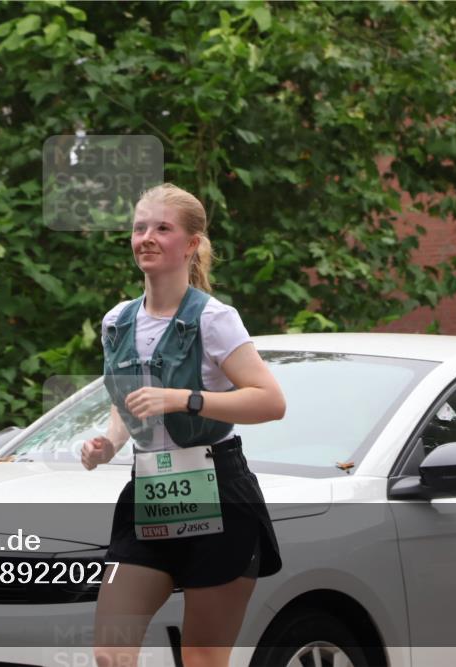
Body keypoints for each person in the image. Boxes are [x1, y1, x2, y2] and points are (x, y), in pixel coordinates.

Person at [80, 183, 286, 667]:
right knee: (110, 653)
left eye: (162, 228)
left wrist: (183, 399)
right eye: (139, 228)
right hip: (149, 491)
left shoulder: (216, 319)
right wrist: (108, 444)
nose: (146, 237)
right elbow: (128, 401)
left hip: (219, 490)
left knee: (202, 661)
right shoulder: (117, 321)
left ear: (191, 244)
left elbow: (270, 402)